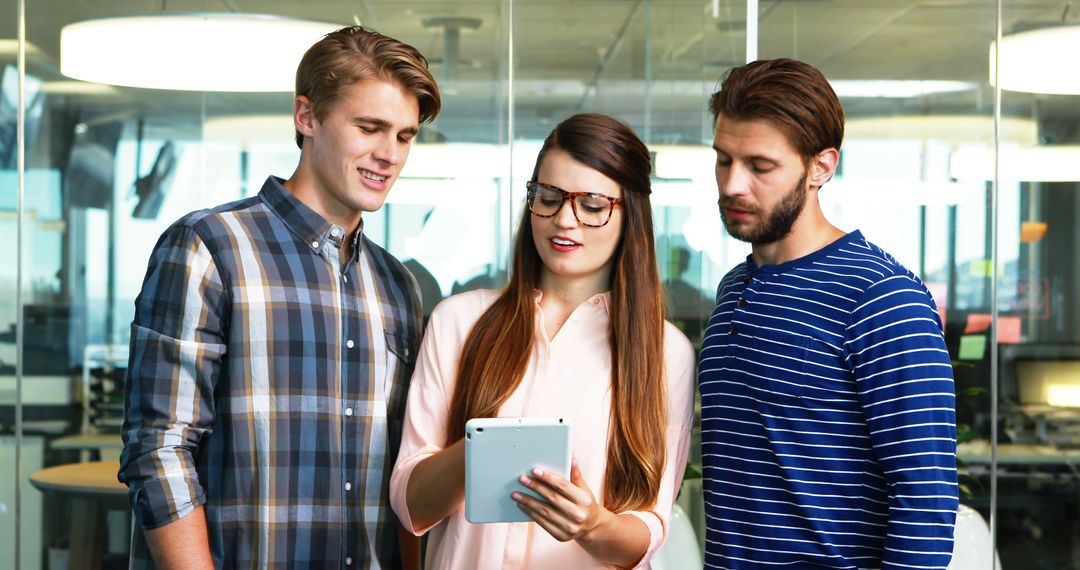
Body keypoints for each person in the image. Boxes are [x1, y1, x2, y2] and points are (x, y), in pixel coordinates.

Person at [118, 26, 440, 568]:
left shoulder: (396, 285)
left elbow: (401, 470)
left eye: (405, 136)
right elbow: (159, 449)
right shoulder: (209, 246)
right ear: (307, 117)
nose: (389, 155)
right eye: (369, 127)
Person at [389, 113, 696, 569]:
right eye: (548, 198)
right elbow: (411, 503)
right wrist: (482, 448)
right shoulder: (459, 321)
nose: (563, 220)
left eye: (591, 205)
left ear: (629, 213)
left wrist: (593, 525)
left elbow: (649, 530)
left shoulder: (665, 352)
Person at [698, 58, 958, 569]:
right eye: (723, 160)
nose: (732, 184)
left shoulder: (881, 297)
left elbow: (925, 503)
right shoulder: (735, 287)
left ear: (821, 166)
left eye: (760, 165)